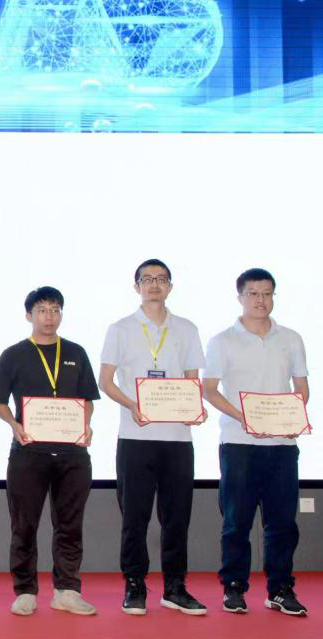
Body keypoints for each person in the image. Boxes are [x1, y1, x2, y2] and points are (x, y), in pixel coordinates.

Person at [99, 259, 207, 616]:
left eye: (161, 279)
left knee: (177, 517)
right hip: (136, 436)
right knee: (135, 516)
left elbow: (192, 380)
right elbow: (105, 381)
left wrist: (195, 408)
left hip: (178, 438)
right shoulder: (120, 329)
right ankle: (135, 584)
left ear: (170, 287)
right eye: (147, 279)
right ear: (137, 287)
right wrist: (132, 405)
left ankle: (175, 587)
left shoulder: (187, 329)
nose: (154, 284)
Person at [203, 268, 310, 616]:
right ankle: (234, 587)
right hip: (239, 444)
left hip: (282, 445)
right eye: (253, 293)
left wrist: (294, 416)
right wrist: (243, 417)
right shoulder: (222, 341)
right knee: (236, 521)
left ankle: (280, 589)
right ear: (240, 297)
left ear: (273, 296)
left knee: (283, 522)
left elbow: (301, 386)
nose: (260, 300)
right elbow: (208, 389)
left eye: (267, 293)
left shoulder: (291, 338)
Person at [0, 286, 101, 616]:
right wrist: (15, 425)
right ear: (29, 316)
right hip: (28, 453)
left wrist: (85, 423)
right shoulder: (13, 355)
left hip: (72, 454)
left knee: (70, 524)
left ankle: (67, 590)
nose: (49, 317)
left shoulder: (76, 352)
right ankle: (25, 590)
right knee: (24, 525)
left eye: (55, 310)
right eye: (42, 310)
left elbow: (87, 400)